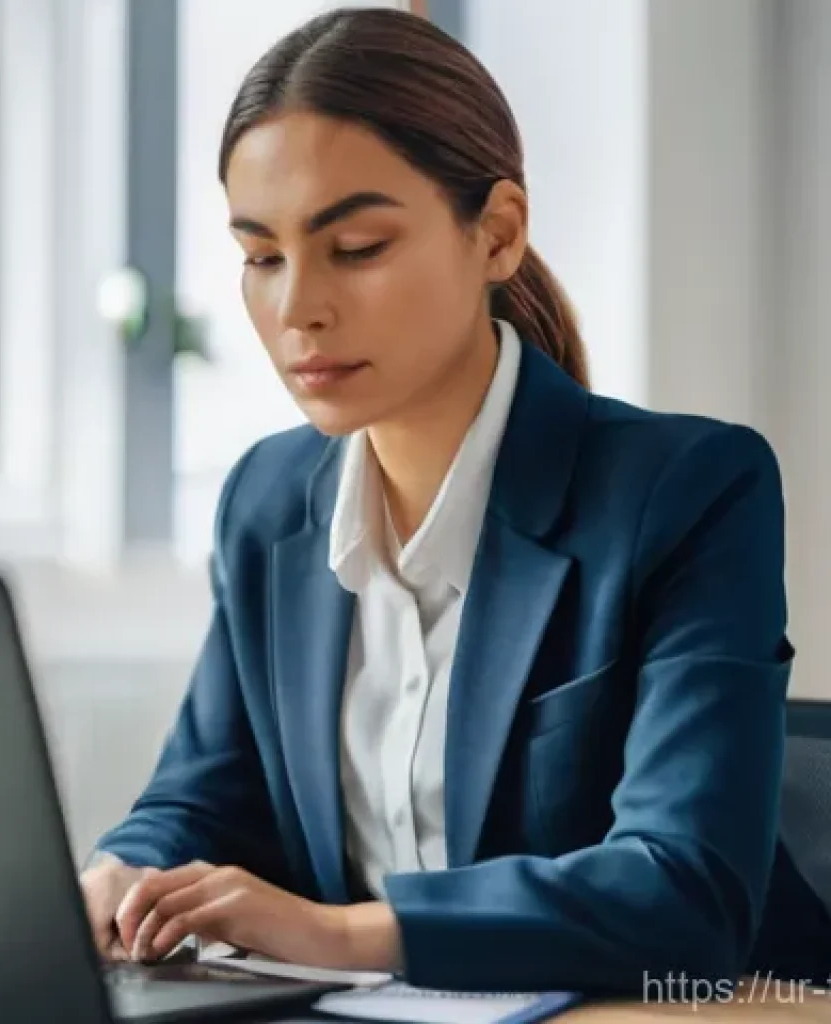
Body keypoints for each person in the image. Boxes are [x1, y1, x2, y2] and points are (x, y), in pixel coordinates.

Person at [80, 7, 831, 994]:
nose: (298, 304)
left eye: (354, 246)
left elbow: (683, 892)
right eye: (262, 255)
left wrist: (346, 932)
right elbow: (200, 798)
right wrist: (122, 873)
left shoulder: (687, 489)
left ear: (498, 234)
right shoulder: (266, 501)